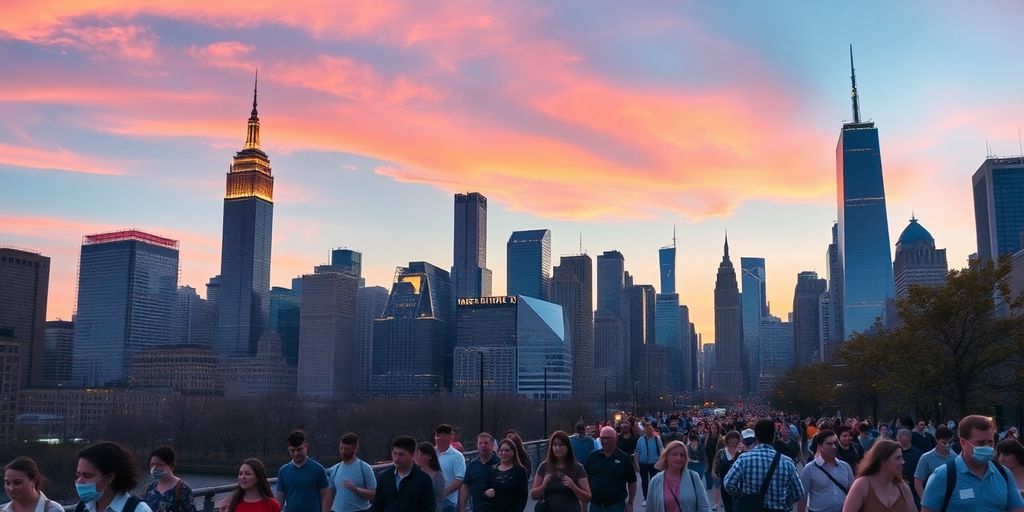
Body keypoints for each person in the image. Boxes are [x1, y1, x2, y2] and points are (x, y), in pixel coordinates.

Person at [921, 415, 1024, 512]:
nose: (987, 447)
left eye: (990, 442)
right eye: (980, 443)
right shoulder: (943, 475)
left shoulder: (1004, 474)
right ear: (963, 443)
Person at [723, 419, 804, 512]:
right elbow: (799, 492)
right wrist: (785, 503)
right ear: (774, 436)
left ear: (756, 437)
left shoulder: (744, 459)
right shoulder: (787, 462)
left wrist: (741, 495)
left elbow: (728, 483)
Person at [75, 442, 154, 512]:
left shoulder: (138, 509)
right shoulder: (83, 507)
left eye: (87, 476)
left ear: (110, 477)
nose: (79, 481)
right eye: (78, 475)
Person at [840, 440, 915, 512]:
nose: (902, 462)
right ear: (883, 461)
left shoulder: (904, 489)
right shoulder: (862, 485)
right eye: (897, 458)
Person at [531, 430, 590, 512]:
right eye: (554, 445)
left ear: (567, 447)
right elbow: (534, 495)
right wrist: (543, 485)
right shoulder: (544, 466)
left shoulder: (577, 467)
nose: (557, 448)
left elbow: (587, 498)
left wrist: (573, 486)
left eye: (561, 445)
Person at [372, 436, 435, 512]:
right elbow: (377, 506)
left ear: (412, 455)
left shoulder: (424, 480)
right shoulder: (384, 477)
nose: (396, 458)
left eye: (401, 454)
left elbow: (429, 508)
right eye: (394, 454)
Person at [645, 440, 711, 512]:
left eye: (682, 455)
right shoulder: (655, 480)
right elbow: (649, 509)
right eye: (674, 454)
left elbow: (704, 506)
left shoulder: (694, 477)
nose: (678, 458)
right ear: (666, 456)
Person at [797, 430, 853, 512]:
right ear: (820, 446)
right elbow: (803, 497)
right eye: (829, 444)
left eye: (835, 443)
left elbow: (852, 492)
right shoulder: (810, 468)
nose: (833, 447)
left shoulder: (845, 467)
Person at [584, 426, 638, 512]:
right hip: (595, 506)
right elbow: (585, 480)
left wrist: (630, 503)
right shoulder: (592, 457)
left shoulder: (624, 458)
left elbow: (632, 482)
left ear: (615, 439)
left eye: (608, 438)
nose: (605, 441)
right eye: (602, 438)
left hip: (616, 506)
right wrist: (584, 504)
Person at [274, 431, 329, 512]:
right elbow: (279, 501)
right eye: (292, 450)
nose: (296, 453)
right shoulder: (283, 471)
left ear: (306, 447)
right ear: (288, 450)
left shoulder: (318, 469)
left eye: (299, 449)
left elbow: (326, 495)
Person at [326, 433, 376, 512]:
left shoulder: (365, 468)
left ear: (355, 449)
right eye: (341, 448)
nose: (343, 452)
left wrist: (356, 489)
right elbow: (330, 494)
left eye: (347, 449)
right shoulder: (334, 469)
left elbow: (374, 495)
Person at [143, 446, 196, 512]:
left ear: (170, 465)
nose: (154, 468)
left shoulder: (183, 489)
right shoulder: (149, 488)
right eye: (152, 464)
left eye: (159, 464)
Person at [482, 439, 528, 512]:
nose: (503, 453)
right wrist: (486, 494)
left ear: (513, 452)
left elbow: (523, 496)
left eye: (507, 450)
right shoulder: (491, 470)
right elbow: (483, 493)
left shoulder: (520, 471)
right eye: (501, 450)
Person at [913, 425, 956, 500]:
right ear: (937, 440)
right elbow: (918, 482)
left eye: (950, 443)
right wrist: (924, 500)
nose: (947, 446)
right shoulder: (926, 458)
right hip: (934, 499)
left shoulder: (955, 457)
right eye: (944, 443)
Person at [459, 433, 497, 512]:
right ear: (477, 446)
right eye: (480, 443)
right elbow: (466, 487)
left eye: (486, 443)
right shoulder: (472, 465)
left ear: (492, 445)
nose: (483, 445)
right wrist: (462, 508)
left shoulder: (499, 463)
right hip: (477, 508)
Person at [435, 424, 467, 512]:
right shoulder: (430, 454)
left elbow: (460, 479)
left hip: (448, 502)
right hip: (430, 501)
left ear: (449, 437)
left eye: (442, 436)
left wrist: (442, 494)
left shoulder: (457, 456)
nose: (438, 438)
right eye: (437, 435)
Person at [711, 431, 742, 512]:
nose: (733, 440)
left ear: (738, 440)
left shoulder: (741, 453)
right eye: (731, 438)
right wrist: (714, 472)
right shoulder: (721, 452)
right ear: (727, 439)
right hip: (725, 484)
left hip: (738, 487)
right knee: (727, 507)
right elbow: (715, 462)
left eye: (735, 438)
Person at [636, 422, 666, 505]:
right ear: (644, 430)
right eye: (647, 429)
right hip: (643, 463)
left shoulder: (657, 439)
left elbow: (661, 450)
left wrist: (661, 461)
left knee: (654, 481)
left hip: (654, 463)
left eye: (650, 428)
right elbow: (637, 453)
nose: (649, 430)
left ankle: (654, 498)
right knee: (644, 482)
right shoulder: (640, 440)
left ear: (652, 429)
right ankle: (646, 498)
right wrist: (637, 465)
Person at [894, 428, 923, 507]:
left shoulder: (917, 454)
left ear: (908, 437)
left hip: (913, 493)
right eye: (897, 436)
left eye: (900, 436)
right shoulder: (894, 453)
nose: (897, 438)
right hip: (896, 491)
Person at [416, 442, 447, 511]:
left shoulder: (438, 476)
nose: (418, 457)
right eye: (417, 454)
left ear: (430, 456)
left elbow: (439, 498)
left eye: (422, 455)